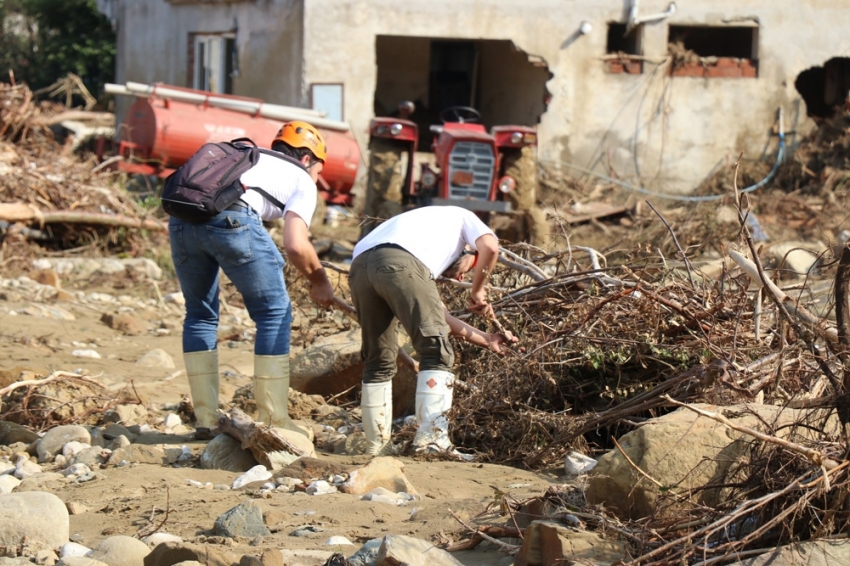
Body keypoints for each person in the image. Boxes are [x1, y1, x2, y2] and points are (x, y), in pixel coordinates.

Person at [169, 121, 335, 439]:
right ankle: (273, 419)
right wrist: (319, 281)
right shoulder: (302, 178)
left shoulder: (250, 155)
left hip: (181, 220)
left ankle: (205, 420)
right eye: (318, 171)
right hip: (233, 217)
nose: (316, 179)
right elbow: (297, 245)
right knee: (274, 313)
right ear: (307, 159)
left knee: (200, 316)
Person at [349, 205, 518, 455]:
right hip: (400, 263)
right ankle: (432, 443)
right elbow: (491, 248)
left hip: (360, 265)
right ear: (468, 249)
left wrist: (487, 339)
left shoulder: (418, 232)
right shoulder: (465, 217)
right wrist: (478, 288)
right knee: (436, 353)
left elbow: (442, 318)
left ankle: (376, 448)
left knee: (378, 359)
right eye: (470, 268)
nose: (461, 278)